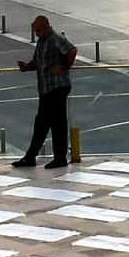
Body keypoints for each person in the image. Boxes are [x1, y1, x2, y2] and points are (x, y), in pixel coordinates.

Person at [14, 17, 77, 170]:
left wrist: (64, 67)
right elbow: (38, 61)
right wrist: (26, 67)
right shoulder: (42, 41)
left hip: (57, 87)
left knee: (56, 123)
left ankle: (58, 157)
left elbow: (72, 50)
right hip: (46, 88)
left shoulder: (55, 38)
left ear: (47, 26)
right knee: (43, 123)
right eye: (35, 30)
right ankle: (32, 156)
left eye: (38, 30)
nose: (36, 34)